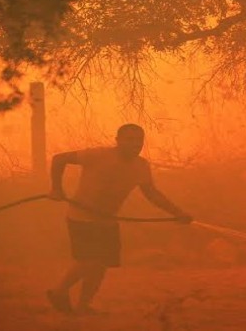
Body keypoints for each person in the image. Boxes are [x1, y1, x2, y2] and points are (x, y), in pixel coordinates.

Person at [46, 123, 193, 314]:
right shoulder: (97, 155)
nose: (134, 143)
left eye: (138, 140)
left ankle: (83, 306)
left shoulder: (141, 166)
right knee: (89, 260)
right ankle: (59, 291)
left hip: (107, 221)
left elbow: (152, 194)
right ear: (118, 141)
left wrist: (177, 212)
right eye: (129, 139)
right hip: (81, 217)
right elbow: (59, 159)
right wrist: (56, 188)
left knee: (101, 265)